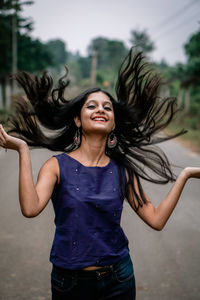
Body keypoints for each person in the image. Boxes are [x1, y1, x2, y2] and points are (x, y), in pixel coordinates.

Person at [0, 49, 199, 300]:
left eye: (107, 107)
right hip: (69, 283)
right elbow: (30, 208)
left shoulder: (123, 170)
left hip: (119, 279)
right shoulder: (56, 166)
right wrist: (22, 150)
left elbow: (156, 220)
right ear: (78, 120)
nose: (100, 110)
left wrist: (186, 175)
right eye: (91, 106)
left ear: (113, 124)